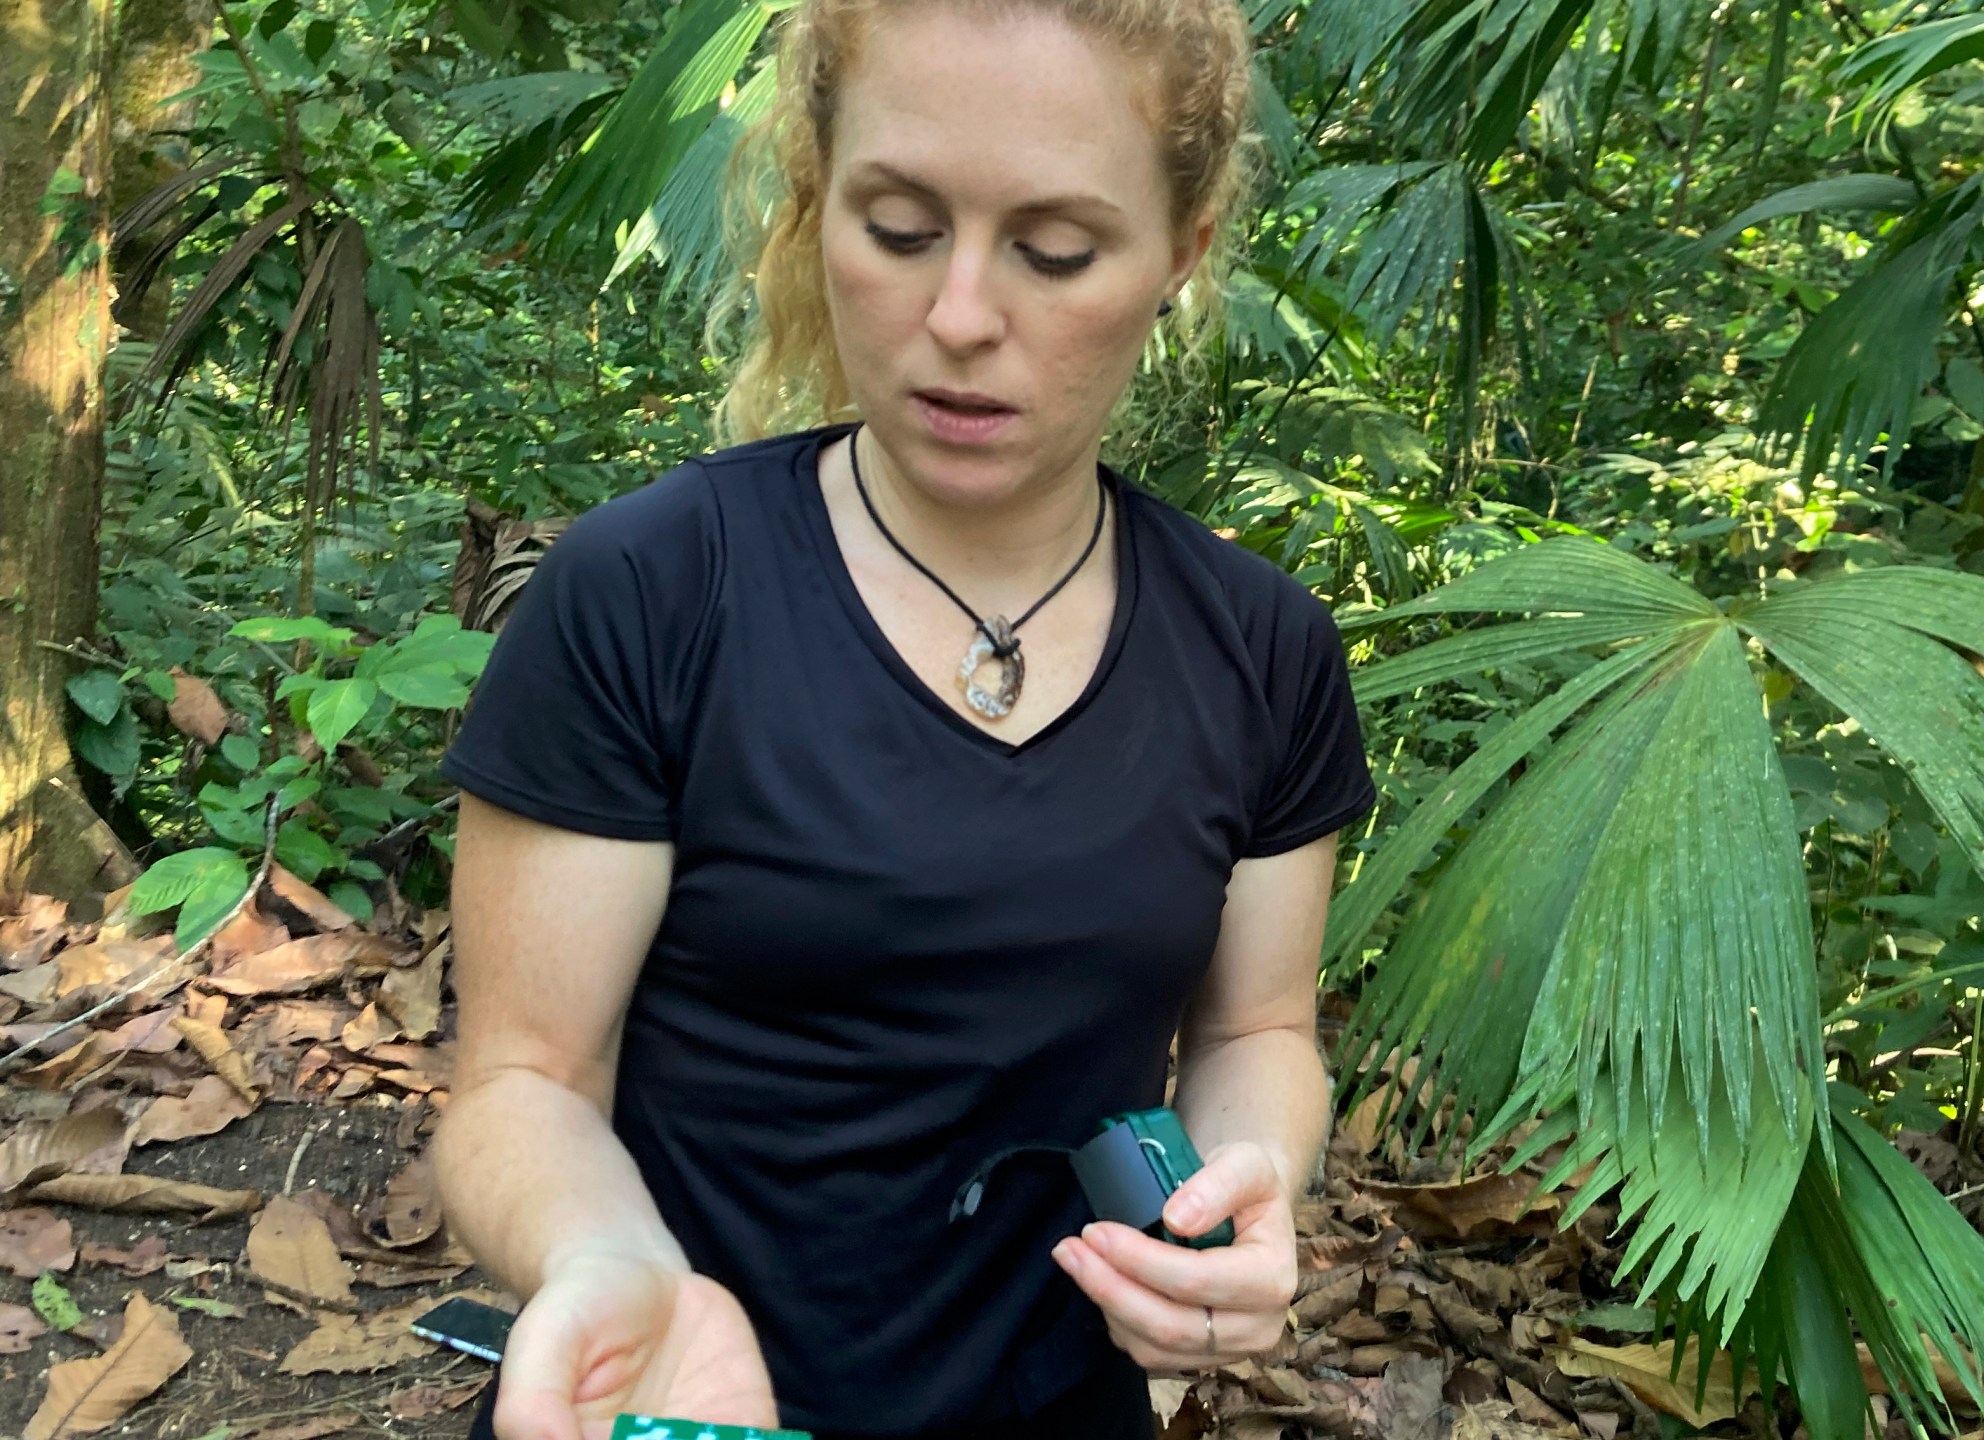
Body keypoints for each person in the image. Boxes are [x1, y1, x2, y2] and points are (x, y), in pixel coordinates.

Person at [431, 0, 1375, 1435]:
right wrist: (605, 1260)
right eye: (898, 227)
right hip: (687, 1402)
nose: (961, 318)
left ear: (1180, 258)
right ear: (818, 204)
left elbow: (1259, 1027)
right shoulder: (649, 592)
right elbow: (523, 1078)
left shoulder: (1261, 649)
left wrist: (1244, 1185)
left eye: (1057, 252)